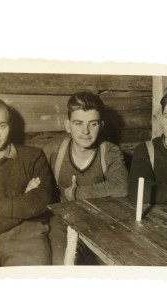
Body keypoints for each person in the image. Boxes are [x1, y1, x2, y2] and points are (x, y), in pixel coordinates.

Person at [44, 91, 128, 264]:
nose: (85, 131)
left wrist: (77, 193)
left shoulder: (110, 152)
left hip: (101, 223)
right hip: (63, 223)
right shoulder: (54, 150)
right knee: (62, 263)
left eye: (93, 124)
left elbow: (121, 187)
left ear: (101, 125)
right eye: (78, 123)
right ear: (68, 125)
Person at [0, 99, 53, 266]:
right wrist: (23, 199)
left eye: (2, 126)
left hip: (27, 234)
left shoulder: (33, 156)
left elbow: (42, 200)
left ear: (11, 126)